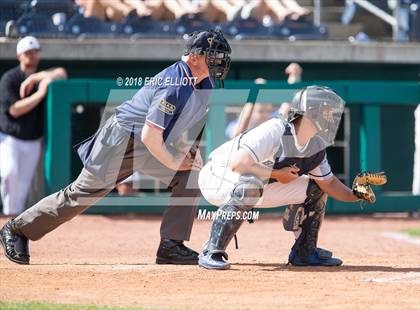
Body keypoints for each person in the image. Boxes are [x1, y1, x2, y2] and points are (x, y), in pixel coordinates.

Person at [0, 29, 231, 265]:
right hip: (122, 140)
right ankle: (17, 229)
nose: (220, 60)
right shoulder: (175, 84)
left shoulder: (206, 83)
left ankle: (171, 245)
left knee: (190, 171)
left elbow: (179, 123)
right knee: (79, 196)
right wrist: (174, 160)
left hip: (151, 143)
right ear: (193, 57)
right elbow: (150, 134)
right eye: (212, 55)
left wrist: (185, 149)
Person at [197, 86, 384, 269]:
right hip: (217, 176)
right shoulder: (276, 129)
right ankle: (212, 250)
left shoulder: (316, 145)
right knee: (250, 185)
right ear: (310, 112)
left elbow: (329, 184)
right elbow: (238, 164)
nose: (332, 117)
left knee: (315, 188)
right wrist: (278, 174)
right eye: (327, 112)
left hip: (255, 184)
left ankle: (304, 252)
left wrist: (355, 194)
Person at [0, 36, 67, 216]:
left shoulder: (39, 77)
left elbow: (62, 73)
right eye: (27, 52)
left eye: (34, 52)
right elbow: (14, 110)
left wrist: (36, 78)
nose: (31, 55)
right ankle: (9, 215)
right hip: (9, 139)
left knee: (23, 185)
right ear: (19, 55)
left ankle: (13, 222)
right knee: (9, 174)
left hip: (33, 141)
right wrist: (40, 93)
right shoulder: (10, 78)